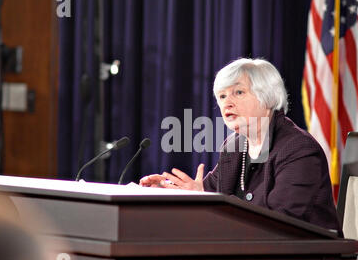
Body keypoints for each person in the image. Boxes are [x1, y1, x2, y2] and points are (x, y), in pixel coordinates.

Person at [140, 58, 340, 232]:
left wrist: (209, 200)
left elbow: (282, 224)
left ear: (267, 97)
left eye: (238, 92)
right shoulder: (234, 147)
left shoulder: (298, 150)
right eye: (222, 96)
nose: (227, 103)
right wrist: (171, 190)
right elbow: (210, 193)